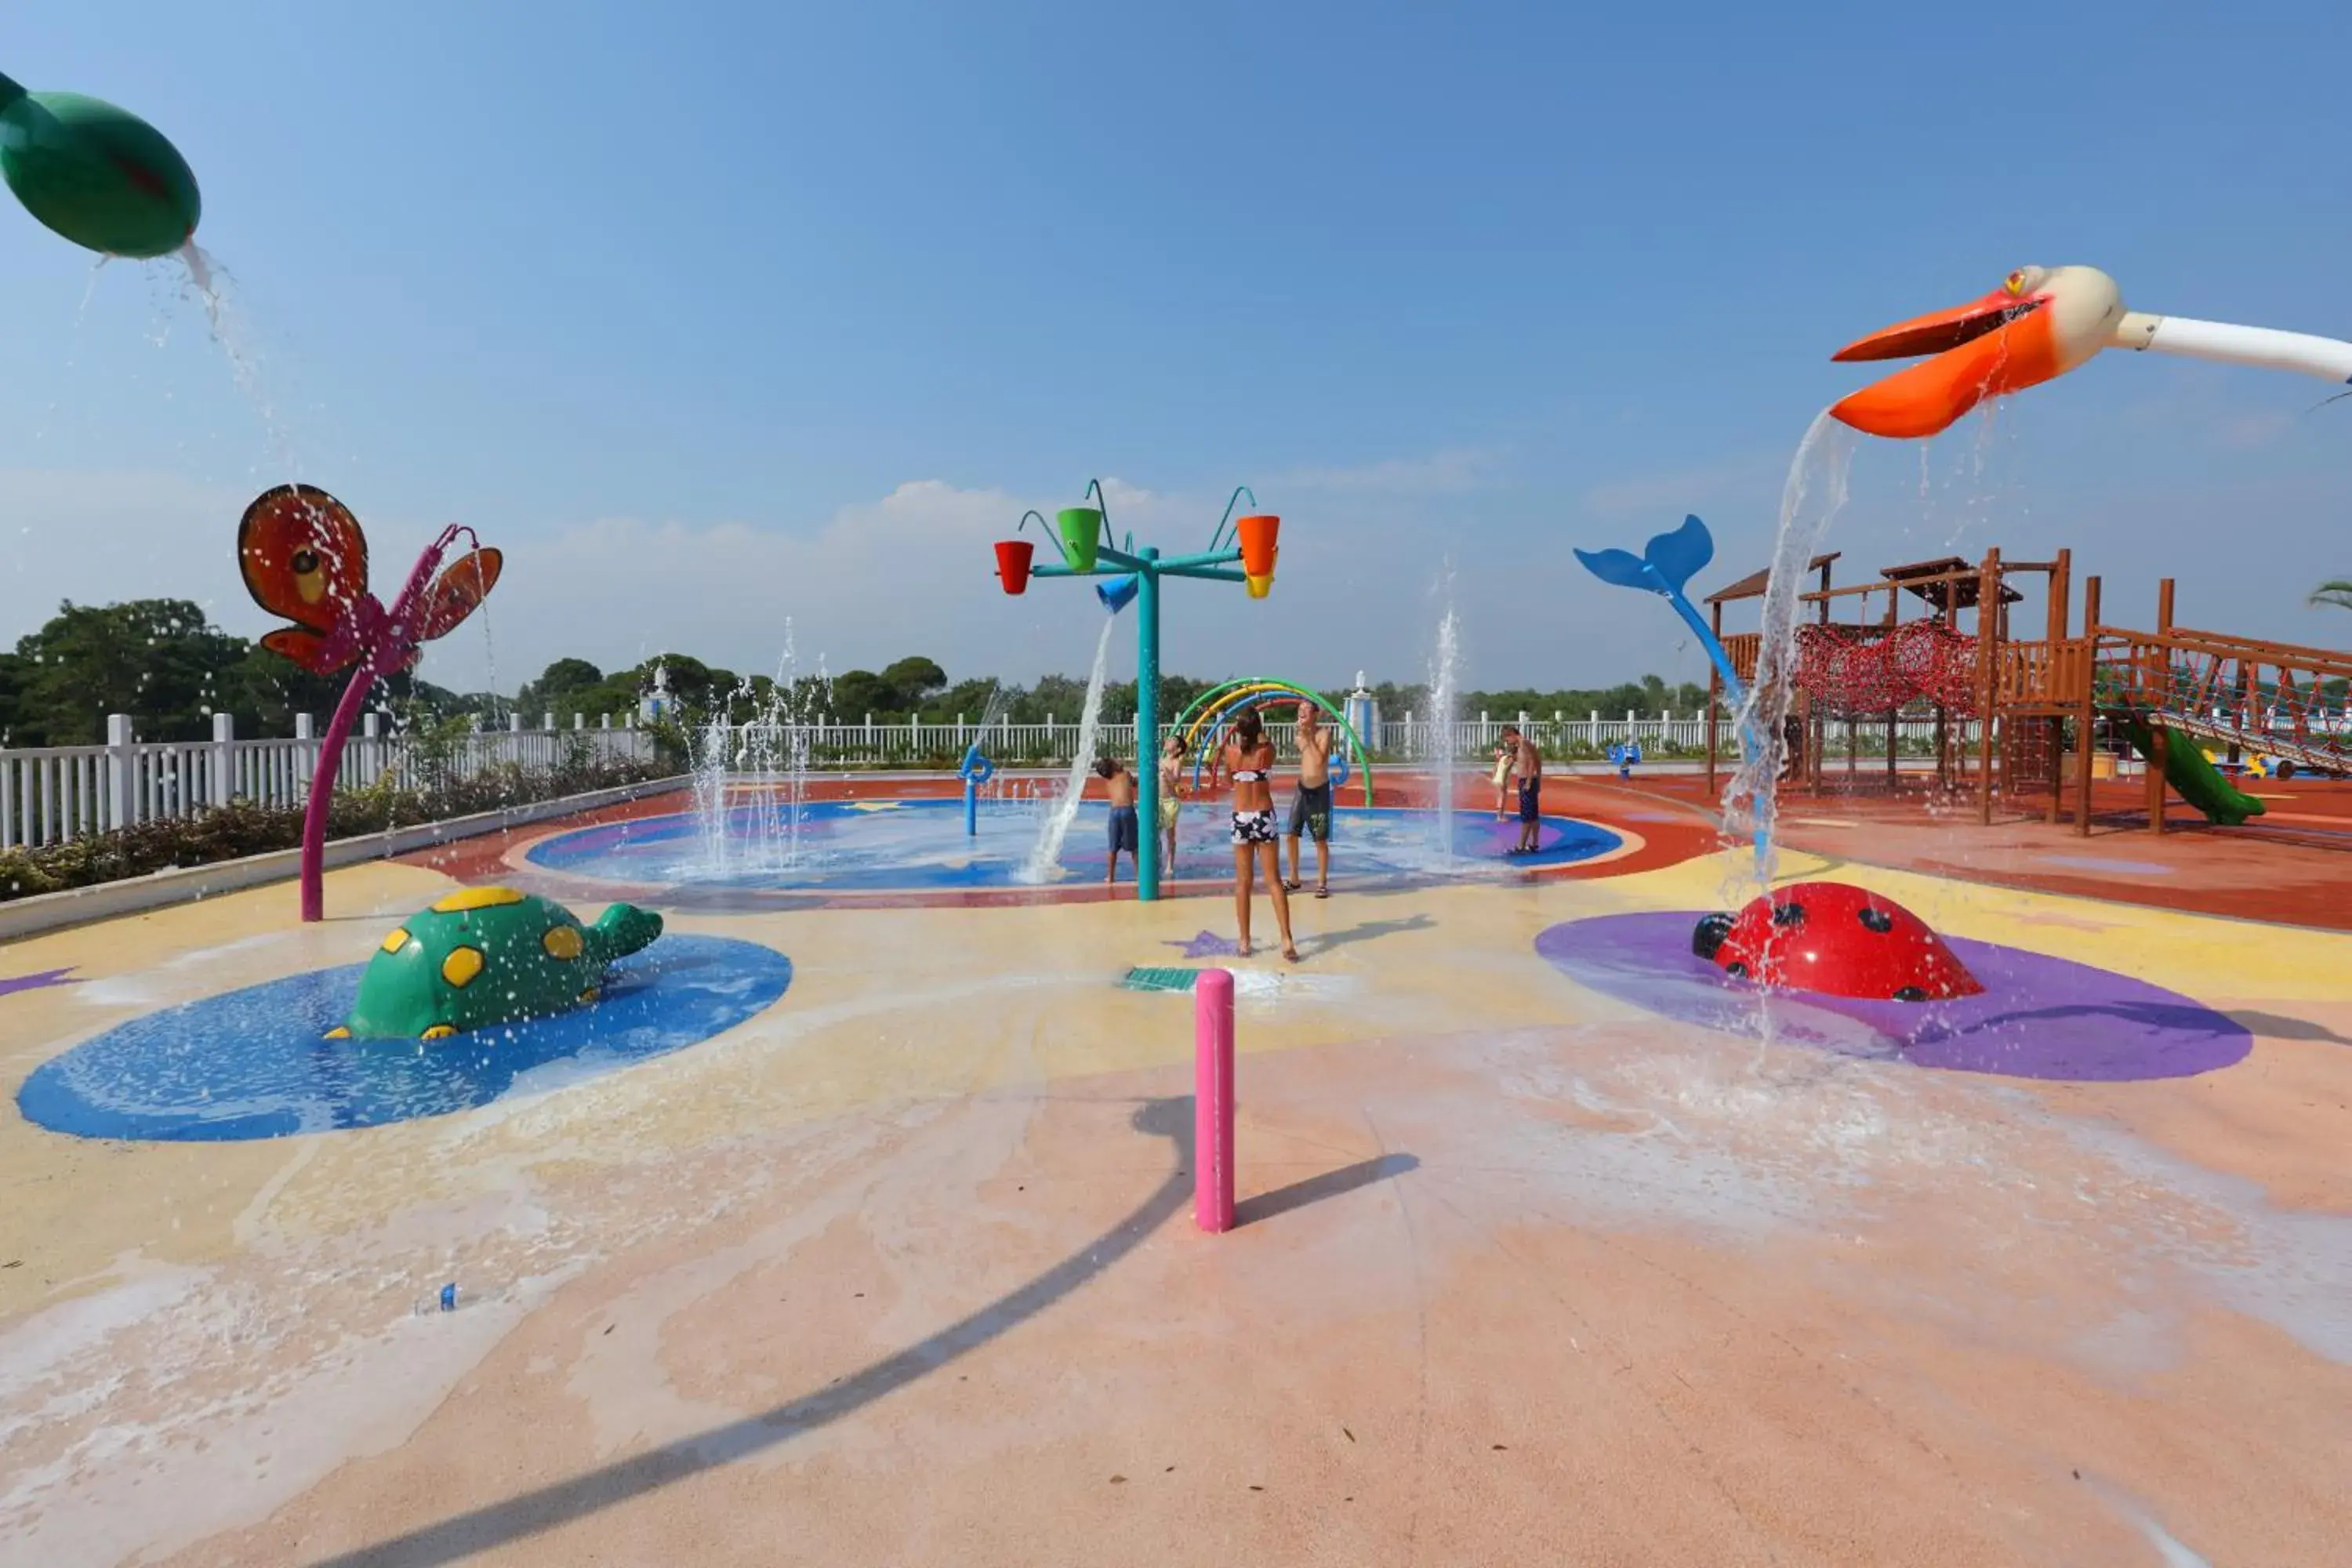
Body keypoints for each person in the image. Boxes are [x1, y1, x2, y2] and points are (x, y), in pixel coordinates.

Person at [1220, 709, 1298, 961]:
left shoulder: (1231, 754)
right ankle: (1286, 939)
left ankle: (1244, 941)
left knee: (1243, 882)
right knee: (1273, 880)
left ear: (1239, 730)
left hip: (1241, 816)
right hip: (1263, 815)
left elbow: (1227, 782)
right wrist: (1255, 726)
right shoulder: (1267, 752)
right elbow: (1263, 740)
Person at [1283, 702, 1335, 898]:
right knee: (1290, 834)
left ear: (1315, 714)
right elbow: (1307, 757)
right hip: (1301, 789)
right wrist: (1305, 735)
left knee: (1320, 840)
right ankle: (1294, 878)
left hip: (1319, 792)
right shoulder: (1300, 736)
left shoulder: (1324, 734)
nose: (1301, 713)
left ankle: (1322, 883)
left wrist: (1309, 737)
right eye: (1299, 711)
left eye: (1306, 710)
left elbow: (1319, 760)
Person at [1097, 757, 1139, 888]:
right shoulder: (1126, 775)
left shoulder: (1108, 781)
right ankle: (1139, 875)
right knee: (1135, 848)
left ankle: (1110, 876)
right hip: (1127, 811)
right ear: (1114, 767)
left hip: (1114, 812)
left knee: (1112, 848)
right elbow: (1136, 783)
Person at [1502, 725, 1544, 854]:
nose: (1507, 742)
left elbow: (1532, 762)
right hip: (1528, 780)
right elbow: (1536, 761)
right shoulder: (1521, 745)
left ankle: (1520, 846)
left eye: (1507, 738)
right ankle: (1534, 844)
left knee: (1527, 815)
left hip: (1527, 781)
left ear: (1511, 734)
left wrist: (1529, 782)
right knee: (1533, 815)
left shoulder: (1524, 743)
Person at [1157, 734, 1185, 876]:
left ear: (1178, 749)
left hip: (1170, 802)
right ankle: (1156, 859)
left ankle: (1169, 865)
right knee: (1155, 832)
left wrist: (1166, 772)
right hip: (1158, 801)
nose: (1168, 740)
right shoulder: (1161, 760)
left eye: (1172, 740)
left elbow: (1175, 780)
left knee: (1170, 835)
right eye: (1168, 739)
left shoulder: (1176, 762)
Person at [1491, 739, 1514, 819]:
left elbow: (1495, 768)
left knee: (1500, 797)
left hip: (1497, 779)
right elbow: (1505, 770)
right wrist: (1503, 781)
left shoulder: (1502, 758)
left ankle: (1500, 815)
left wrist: (1494, 777)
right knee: (1502, 798)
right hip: (1501, 780)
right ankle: (1500, 817)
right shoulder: (1511, 759)